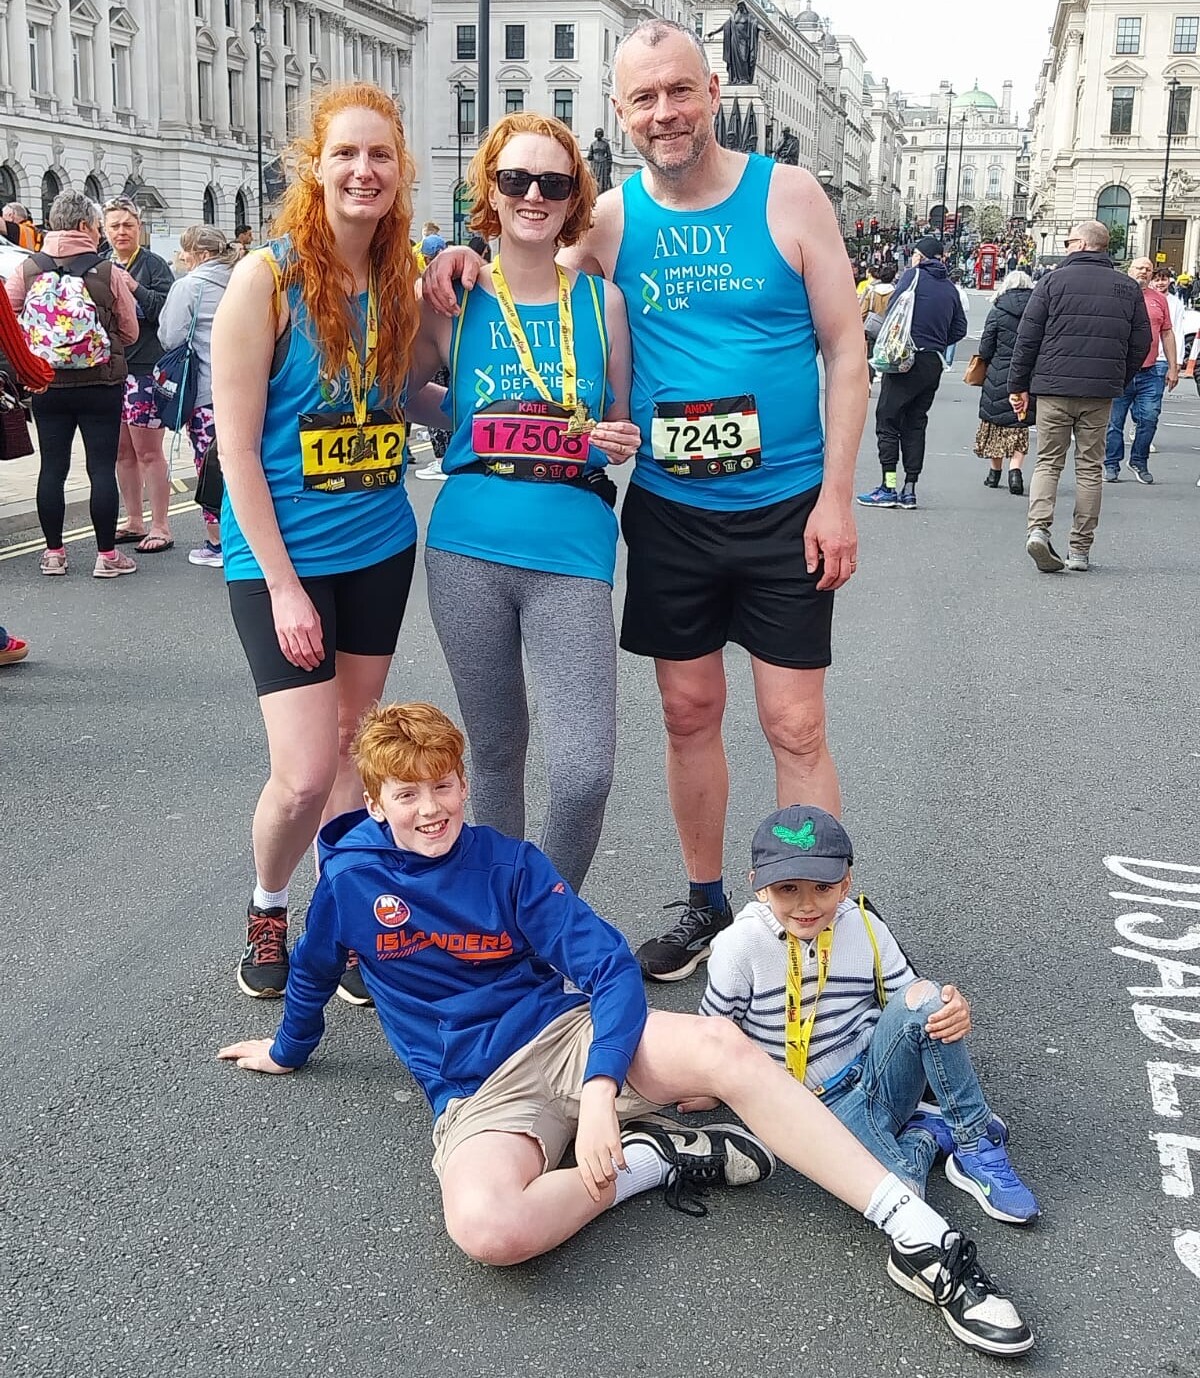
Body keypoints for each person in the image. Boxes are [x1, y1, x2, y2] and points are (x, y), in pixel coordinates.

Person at [218, 701, 1035, 1359]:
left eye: (444, 786)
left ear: (465, 785)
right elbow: (315, 971)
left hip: (566, 1037)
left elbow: (610, 967)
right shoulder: (351, 882)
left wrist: (603, 1088)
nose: (430, 809)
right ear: (375, 802)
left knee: (722, 1049)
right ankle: (657, 1161)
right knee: (489, 1232)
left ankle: (923, 1239)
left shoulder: (506, 863)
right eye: (407, 794)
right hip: (476, 1091)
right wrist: (288, 1051)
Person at [426, 18, 865, 981]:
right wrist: (456, 259)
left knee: (795, 724)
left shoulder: (788, 194)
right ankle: (709, 904)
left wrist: (838, 496)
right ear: (620, 113)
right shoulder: (612, 221)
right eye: (643, 98)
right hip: (668, 506)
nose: (664, 112)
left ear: (710, 90)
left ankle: (814, 919)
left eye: (678, 90)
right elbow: (529, 288)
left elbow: (846, 350)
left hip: (786, 501)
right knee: (688, 711)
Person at [211, 82, 430, 1003]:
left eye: (379, 156)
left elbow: (411, 401)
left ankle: (345, 922)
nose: (363, 170)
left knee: (351, 747)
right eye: (346, 154)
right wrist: (285, 587)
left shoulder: (399, 275)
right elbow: (235, 449)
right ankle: (270, 904)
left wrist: (514, 424)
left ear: (399, 171)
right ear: (317, 166)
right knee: (303, 773)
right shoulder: (267, 279)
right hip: (282, 558)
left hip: (379, 542)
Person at [410, 113, 639, 893]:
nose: (533, 195)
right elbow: (409, 394)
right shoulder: (454, 293)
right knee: (497, 753)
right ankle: (500, 922)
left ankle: (549, 909)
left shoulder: (601, 303)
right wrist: (474, 424)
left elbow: (617, 417)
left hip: (573, 548)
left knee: (582, 772)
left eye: (553, 182)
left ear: (574, 196)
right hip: (467, 545)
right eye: (516, 179)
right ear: (492, 191)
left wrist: (615, 439)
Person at [696, 804, 1039, 1235]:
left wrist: (952, 1010)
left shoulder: (863, 925)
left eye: (823, 887)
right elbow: (712, 1035)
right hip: (808, 1107)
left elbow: (910, 1005)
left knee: (929, 998)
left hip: (876, 1069)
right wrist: (707, 1090)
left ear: (846, 883)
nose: (806, 904)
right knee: (900, 1197)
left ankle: (974, 1140)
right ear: (758, 888)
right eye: (787, 888)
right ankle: (928, 1135)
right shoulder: (737, 947)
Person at [5, 190, 140, 577]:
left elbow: (10, 320)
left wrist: (38, 346)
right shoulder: (106, 271)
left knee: (53, 468)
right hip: (100, 382)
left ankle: (53, 555)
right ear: (84, 226)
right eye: (97, 225)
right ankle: (107, 557)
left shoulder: (27, 269)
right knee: (100, 467)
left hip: (46, 384)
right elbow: (129, 331)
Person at [1009, 221, 1150, 574]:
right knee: (1090, 467)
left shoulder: (1054, 281)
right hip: (1099, 393)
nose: (1066, 245)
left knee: (1048, 462)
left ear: (1084, 243)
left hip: (1054, 388)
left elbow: (1028, 337)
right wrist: (1119, 376)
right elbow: (1141, 343)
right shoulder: (1128, 287)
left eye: (1069, 240)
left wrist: (1018, 384)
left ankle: (1038, 529)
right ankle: (1079, 550)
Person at [858, 236, 967, 510]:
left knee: (888, 419)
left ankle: (888, 485)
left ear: (920, 256)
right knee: (916, 422)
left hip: (906, 358)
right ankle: (910, 488)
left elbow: (895, 310)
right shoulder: (950, 289)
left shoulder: (912, 276)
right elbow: (960, 329)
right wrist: (937, 340)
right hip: (932, 363)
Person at [157, 224, 240, 568]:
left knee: (210, 467)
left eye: (185, 252)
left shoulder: (189, 286)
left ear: (202, 255)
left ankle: (218, 543)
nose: (181, 258)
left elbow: (170, 336)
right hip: (252, 390)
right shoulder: (243, 279)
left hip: (207, 391)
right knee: (248, 462)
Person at [102, 196, 176, 554]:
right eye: (114, 225)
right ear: (105, 230)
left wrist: (135, 288)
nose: (121, 232)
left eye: (127, 225)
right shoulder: (102, 263)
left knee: (149, 452)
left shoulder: (154, 265)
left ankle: (161, 524)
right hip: (113, 369)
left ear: (139, 228)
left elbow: (167, 310)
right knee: (120, 452)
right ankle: (134, 519)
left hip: (146, 370)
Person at [1103, 260, 1178, 485]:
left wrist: (1174, 367)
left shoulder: (1159, 300)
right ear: (1130, 270)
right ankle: (1111, 463)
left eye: (1148, 269)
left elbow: (1167, 333)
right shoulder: (1117, 296)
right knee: (1114, 422)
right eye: (1139, 268)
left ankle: (1139, 460)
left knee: (1149, 418)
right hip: (1121, 369)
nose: (1144, 272)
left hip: (1151, 371)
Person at [974, 270, 1036, 495]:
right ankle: (1015, 471)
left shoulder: (998, 310)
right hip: (1027, 374)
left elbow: (985, 348)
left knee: (995, 424)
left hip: (999, 372)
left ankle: (994, 473)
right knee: (1018, 423)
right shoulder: (1037, 310)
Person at [861, 262, 897, 386]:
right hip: (888, 327)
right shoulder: (895, 293)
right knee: (887, 355)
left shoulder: (872, 292)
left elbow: (863, 310)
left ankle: (869, 382)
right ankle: (885, 381)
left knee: (870, 355)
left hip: (872, 326)